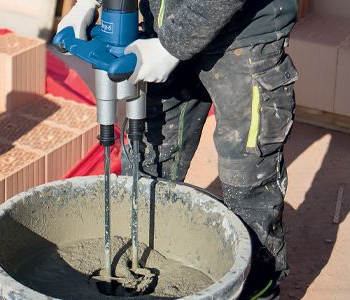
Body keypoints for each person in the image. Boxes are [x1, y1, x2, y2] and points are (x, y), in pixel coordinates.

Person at [57, 0, 298, 298]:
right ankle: (141, 270)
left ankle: (256, 290)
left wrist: (172, 47)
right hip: (161, 28)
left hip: (243, 37)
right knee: (146, 166)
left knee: (247, 182)